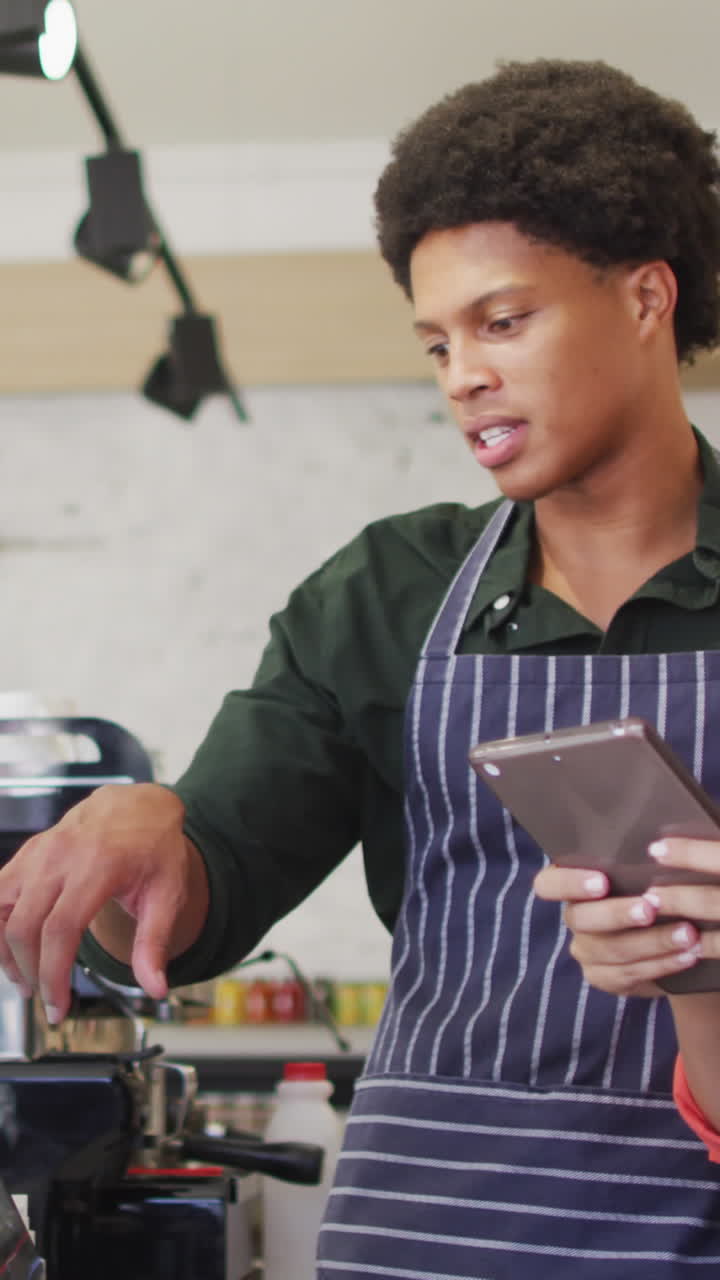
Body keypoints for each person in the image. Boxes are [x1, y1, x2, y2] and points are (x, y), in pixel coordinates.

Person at [2, 55, 720, 1276]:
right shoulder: (386, 595)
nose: (463, 376)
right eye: (436, 341)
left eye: (503, 320)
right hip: (421, 1229)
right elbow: (204, 891)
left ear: (648, 297)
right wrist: (134, 835)